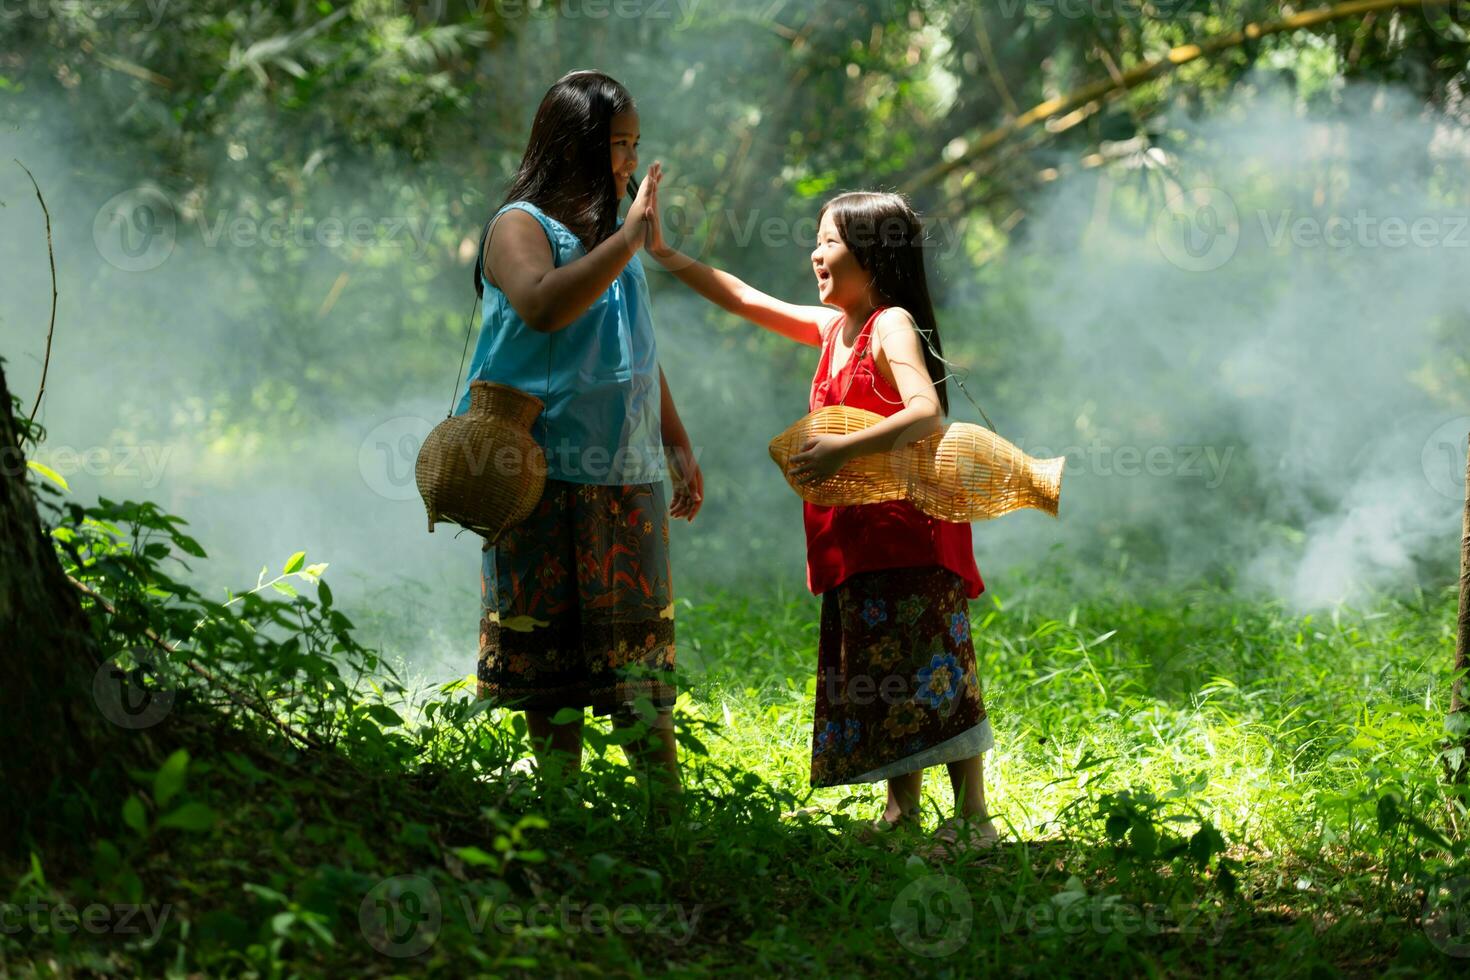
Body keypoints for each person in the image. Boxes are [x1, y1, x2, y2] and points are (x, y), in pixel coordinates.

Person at [647, 187, 997, 853]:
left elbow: (928, 412)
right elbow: (744, 299)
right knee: (888, 668)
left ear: (871, 255)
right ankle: (904, 812)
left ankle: (975, 818)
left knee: (934, 670)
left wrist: (843, 446)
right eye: (818, 238)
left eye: (830, 241)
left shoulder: (889, 324)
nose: (816, 253)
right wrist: (665, 253)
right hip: (859, 541)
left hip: (909, 533)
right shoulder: (833, 327)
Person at [461, 70, 701, 816]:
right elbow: (539, 308)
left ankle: (665, 810)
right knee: (550, 658)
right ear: (574, 147)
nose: (627, 162)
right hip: (538, 471)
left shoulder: (612, 239)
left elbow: (637, 348)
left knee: (636, 657)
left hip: (624, 471)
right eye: (615, 145)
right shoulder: (519, 226)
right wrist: (629, 239)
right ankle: (560, 808)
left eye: (633, 145)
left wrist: (676, 439)